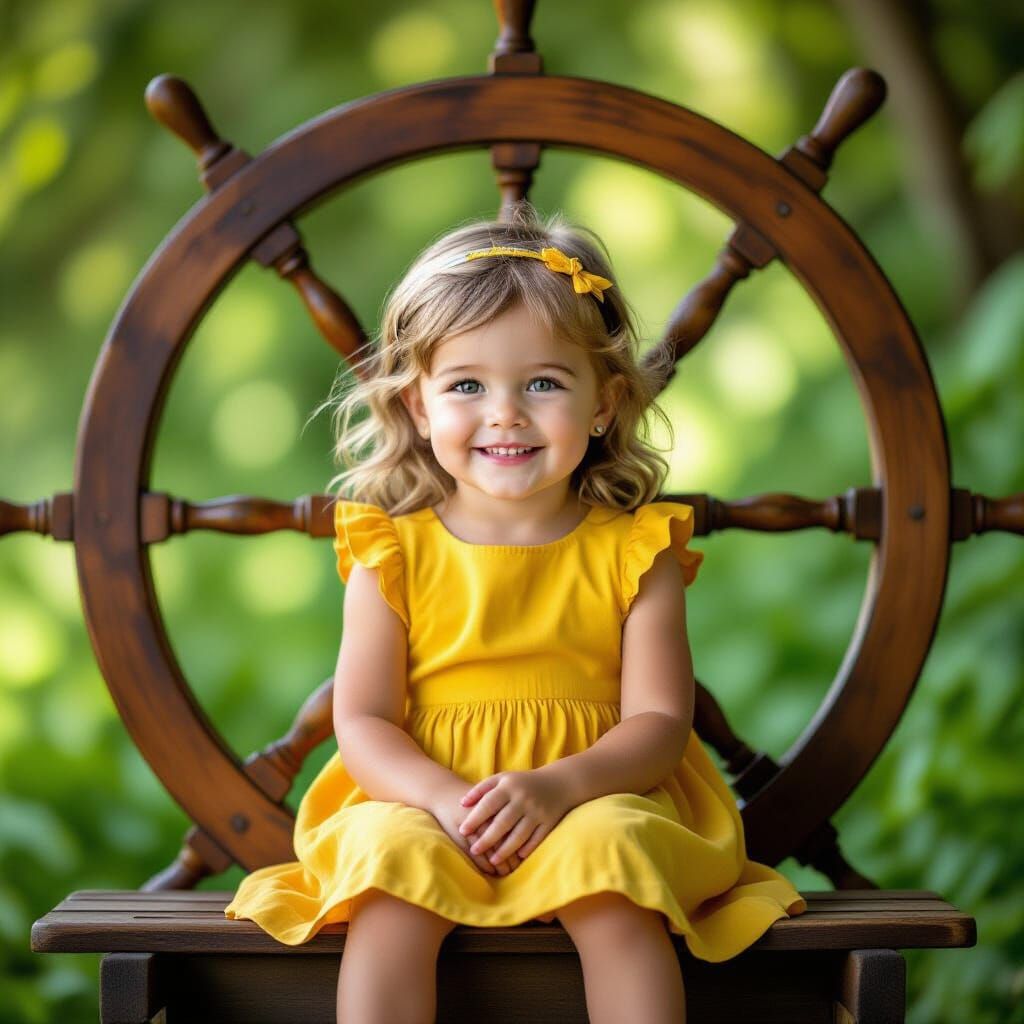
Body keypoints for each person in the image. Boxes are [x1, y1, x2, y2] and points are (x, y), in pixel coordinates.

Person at [224, 202, 807, 1022]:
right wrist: (442, 800)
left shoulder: (637, 550)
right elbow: (362, 721)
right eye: (466, 385)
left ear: (603, 404)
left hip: (594, 790)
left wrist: (559, 786)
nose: (505, 412)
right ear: (421, 409)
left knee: (612, 866)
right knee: (393, 870)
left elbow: (660, 721)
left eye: (543, 382)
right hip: (425, 798)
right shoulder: (392, 549)